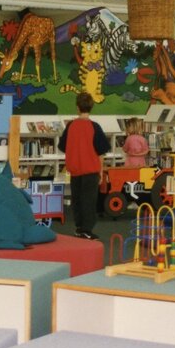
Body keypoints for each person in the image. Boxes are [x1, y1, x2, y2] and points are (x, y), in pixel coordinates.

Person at [59, 92, 111, 240]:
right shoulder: (94, 127)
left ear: (77, 107)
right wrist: (101, 171)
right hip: (90, 170)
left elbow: (62, 146)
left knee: (77, 200)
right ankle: (87, 229)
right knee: (89, 200)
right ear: (92, 107)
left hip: (75, 170)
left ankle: (79, 228)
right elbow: (101, 151)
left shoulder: (70, 126)